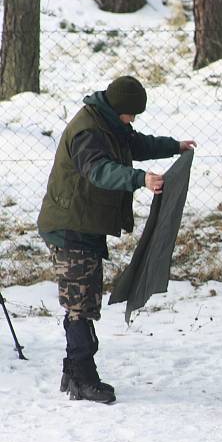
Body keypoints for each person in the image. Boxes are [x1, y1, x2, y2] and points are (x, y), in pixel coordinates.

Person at [37, 76, 196, 404]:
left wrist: (173, 146)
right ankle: (82, 377)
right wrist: (140, 179)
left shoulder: (108, 122)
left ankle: (73, 372)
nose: (133, 120)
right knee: (80, 302)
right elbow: (99, 170)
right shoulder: (88, 132)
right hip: (69, 226)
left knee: (84, 298)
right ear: (118, 108)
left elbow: (135, 145)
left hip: (84, 224)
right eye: (131, 114)